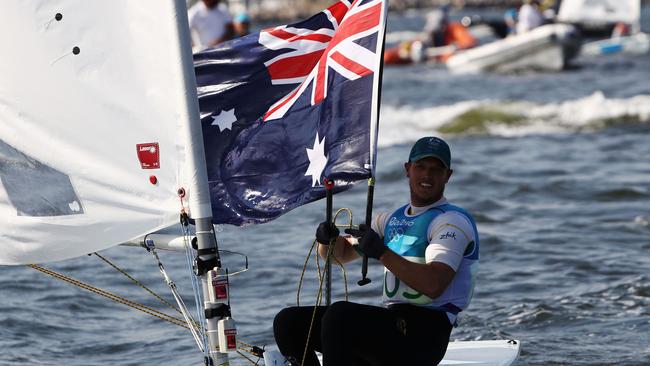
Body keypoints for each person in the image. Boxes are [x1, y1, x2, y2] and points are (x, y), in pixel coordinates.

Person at [273, 136, 480, 366]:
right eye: (420, 167)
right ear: (407, 169)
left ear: (448, 176)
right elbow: (339, 255)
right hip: (393, 325)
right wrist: (327, 240)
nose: (427, 176)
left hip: (426, 335)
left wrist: (382, 253)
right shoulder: (390, 220)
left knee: (339, 316)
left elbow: (434, 284)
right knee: (288, 321)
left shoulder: (451, 222)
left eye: (436, 169)